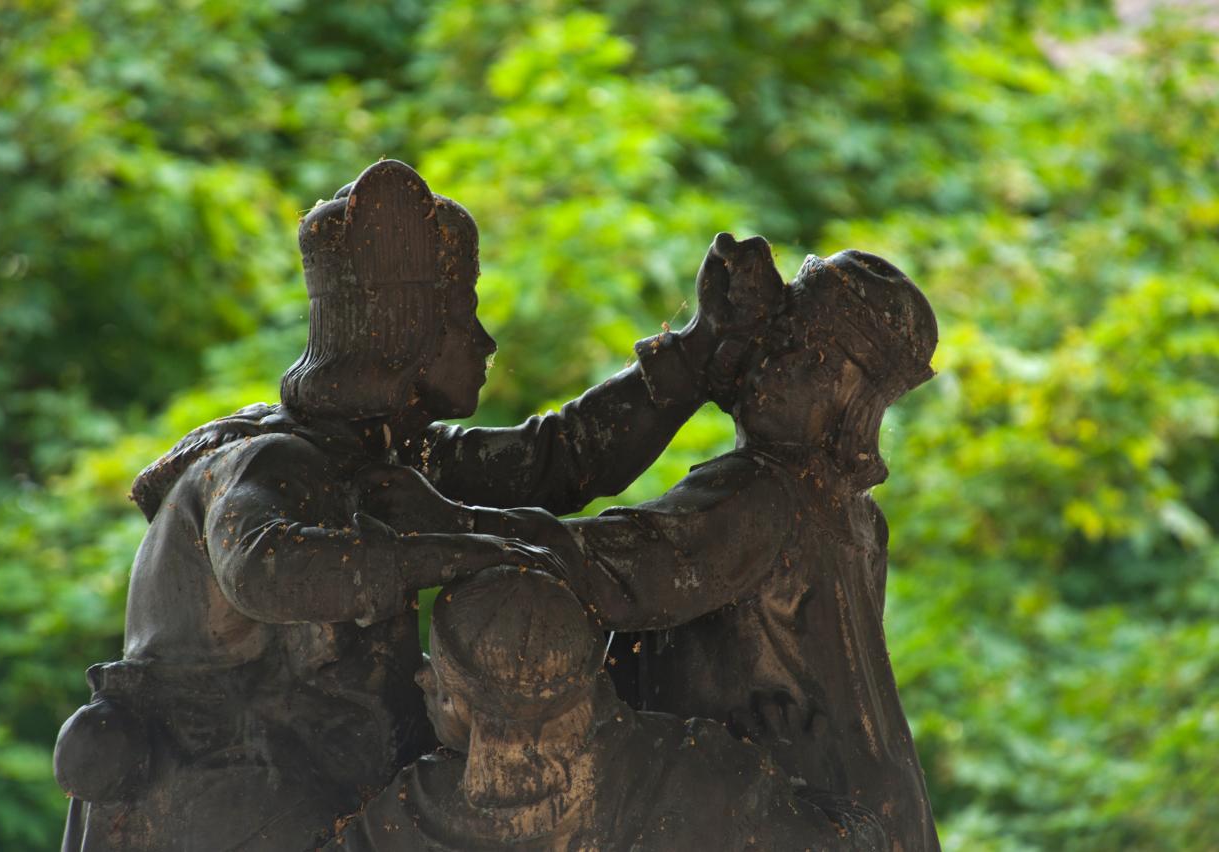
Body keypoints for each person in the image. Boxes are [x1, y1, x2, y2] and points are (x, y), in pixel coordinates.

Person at [54, 160, 764, 851]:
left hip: (319, 792)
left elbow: (560, 457)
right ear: (405, 336)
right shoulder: (270, 462)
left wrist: (698, 352)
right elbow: (264, 569)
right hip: (229, 811)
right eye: (464, 319)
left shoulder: (385, 459)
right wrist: (452, 550)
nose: (485, 343)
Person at [367, 243, 941, 849]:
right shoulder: (853, 516)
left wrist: (448, 524)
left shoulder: (762, 492)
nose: (774, 363)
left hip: (798, 811)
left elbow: (617, 569)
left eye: (810, 360)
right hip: (880, 806)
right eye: (778, 337)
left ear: (854, 407)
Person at [345, 567, 885, 851]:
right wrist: (804, 778)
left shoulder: (404, 817)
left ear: (468, 707)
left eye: (438, 675)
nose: (421, 677)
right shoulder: (705, 773)